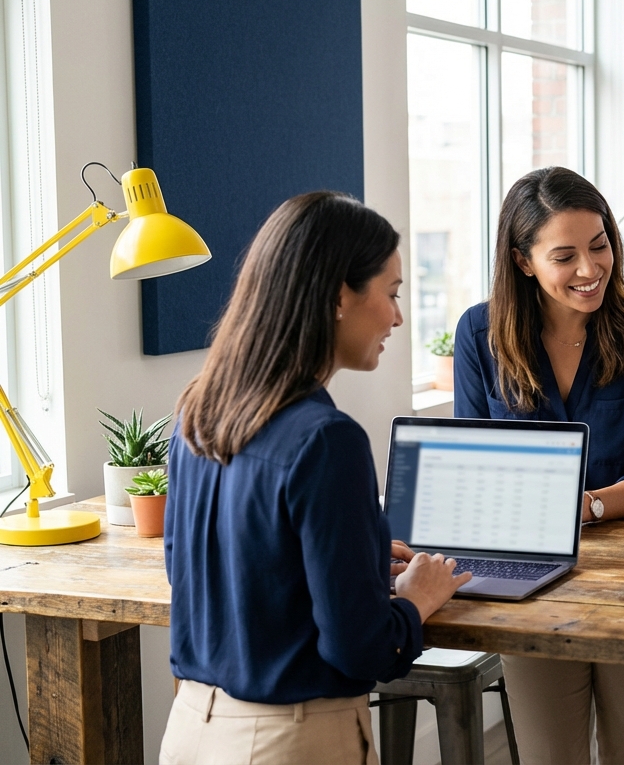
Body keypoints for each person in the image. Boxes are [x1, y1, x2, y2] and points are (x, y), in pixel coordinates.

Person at [161, 192, 466, 765]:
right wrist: (414, 600)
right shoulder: (327, 439)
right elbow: (361, 649)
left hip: (191, 732)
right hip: (289, 741)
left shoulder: (195, 414)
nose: (398, 317)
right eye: (392, 293)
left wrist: (363, 558)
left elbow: (193, 575)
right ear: (337, 297)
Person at [452, 166, 624, 765]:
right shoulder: (480, 334)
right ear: (523, 260)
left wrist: (587, 505)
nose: (590, 269)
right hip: (523, 577)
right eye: (565, 256)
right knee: (549, 756)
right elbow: (471, 467)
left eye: (600, 245)